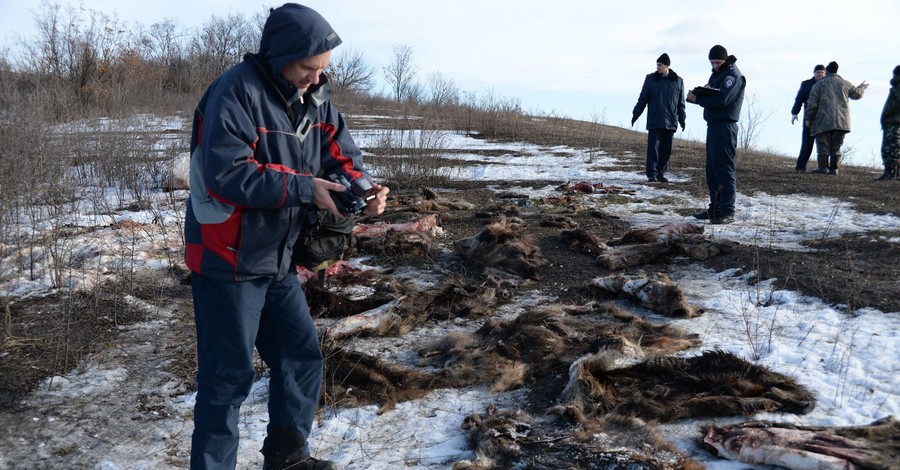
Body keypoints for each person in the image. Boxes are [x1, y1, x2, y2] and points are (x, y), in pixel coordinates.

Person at [184, 4, 389, 470]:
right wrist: (305, 187)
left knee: (301, 356)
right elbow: (227, 174)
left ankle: (287, 458)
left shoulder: (316, 100)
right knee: (227, 380)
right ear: (279, 55)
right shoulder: (235, 91)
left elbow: (342, 157)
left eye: (323, 70)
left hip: (276, 260)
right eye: (308, 68)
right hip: (228, 258)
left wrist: (365, 190)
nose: (316, 79)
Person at [686, 44, 746, 225]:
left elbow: (723, 100)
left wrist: (698, 99)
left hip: (725, 127)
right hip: (713, 125)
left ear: (725, 60)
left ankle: (727, 210)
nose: (714, 66)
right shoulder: (718, 74)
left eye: (717, 62)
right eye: (712, 63)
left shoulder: (732, 75)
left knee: (724, 169)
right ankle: (715, 208)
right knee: (712, 170)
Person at [805, 61, 868, 176]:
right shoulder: (845, 83)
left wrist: (808, 118)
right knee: (837, 145)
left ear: (827, 71)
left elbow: (812, 104)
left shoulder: (818, 85)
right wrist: (862, 87)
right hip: (842, 120)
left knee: (823, 143)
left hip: (822, 119)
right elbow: (857, 94)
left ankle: (823, 168)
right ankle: (834, 169)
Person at [631, 52, 686, 183]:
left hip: (671, 120)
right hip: (655, 119)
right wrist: (635, 114)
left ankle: (661, 173)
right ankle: (651, 174)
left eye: (660, 65)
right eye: (657, 65)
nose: (657, 67)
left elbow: (681, 103)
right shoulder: (650, 79)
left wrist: (682, 119)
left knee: (666, 150)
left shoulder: (678, 81)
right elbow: (643, 98)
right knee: (653, 149)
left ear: (667, 66)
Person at [791, 64, 826, 172]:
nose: (820, 74)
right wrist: (794, 112)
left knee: (824, 145)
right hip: (809, 118)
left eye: (822, 72)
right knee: (807, 143)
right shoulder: (806, 84)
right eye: (818, 72)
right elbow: (799, 99)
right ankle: (800, 166)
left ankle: (824, 167)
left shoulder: (827, 85)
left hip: (824, 119)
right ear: (814, 73)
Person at [877, 65, 900, 180]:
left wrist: (888, 112)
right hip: (893, 122)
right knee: (894, 147)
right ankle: (894, 173)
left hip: (894, 122)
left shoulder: (897, 87)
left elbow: (897, 104)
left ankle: (890, 173)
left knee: (891, 148)